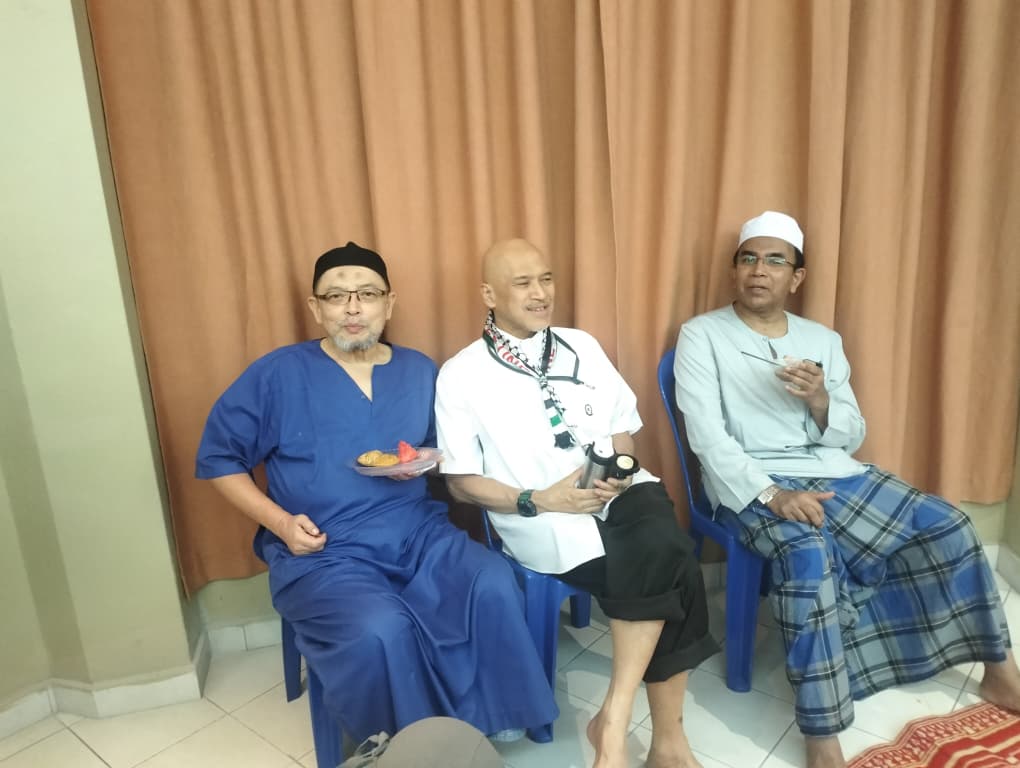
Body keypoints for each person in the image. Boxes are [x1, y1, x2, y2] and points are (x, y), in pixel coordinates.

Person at [673, 210, 1020, 768]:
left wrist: (819, 400)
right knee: (808, 554)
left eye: (775, 261)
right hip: (752, 483)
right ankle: (823, 733)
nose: (759, 270)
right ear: (735, 269)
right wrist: (772, 495)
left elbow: (852, 431)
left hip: (832, 469)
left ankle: (999, 669)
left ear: (797, 277)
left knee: (947, 523)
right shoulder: (702, 334)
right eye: (749, 258)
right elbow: (706, 437)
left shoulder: (822, 340)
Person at [195, 242, 558, 748]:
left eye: (367, 294)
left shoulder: (419, 371)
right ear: (315, 308)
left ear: (389, 304)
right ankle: (407, 747)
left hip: (418, 535)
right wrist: (280, 524)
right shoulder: (278, 374)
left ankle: (490, 719)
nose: (352, 308)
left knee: (492, 582)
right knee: (380, 628)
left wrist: (422, 464)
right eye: (336, 296)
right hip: (324, 550)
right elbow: (219, 459)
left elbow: (442, 451)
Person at [435, 238, 719, 768]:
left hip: (618, 494)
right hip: (541, 514)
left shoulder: (581, 345)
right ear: (489, 294)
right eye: (523, 283)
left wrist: (618, 472)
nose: (541, 293)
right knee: (671, 560)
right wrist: (540, 498)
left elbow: (622, 429)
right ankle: (663, 741)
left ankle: (615, 722)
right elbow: (460, 482)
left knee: (660, 542)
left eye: (546, 279)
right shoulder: (461, 374)